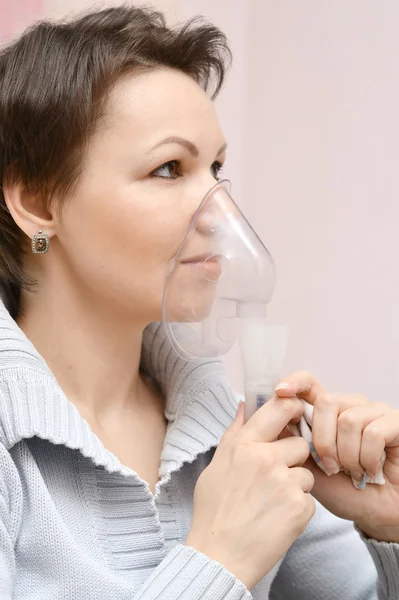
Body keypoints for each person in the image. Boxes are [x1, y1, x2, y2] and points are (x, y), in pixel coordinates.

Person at [0, 5, 398, 599]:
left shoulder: (227, 431)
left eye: (215, 168)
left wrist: (387, 527)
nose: (219, 211)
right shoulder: (15, 453)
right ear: (37, 201)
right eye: (168, 168)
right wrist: (220, 557)